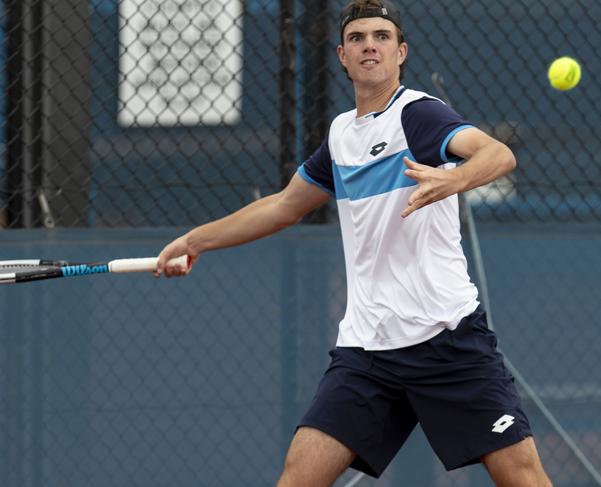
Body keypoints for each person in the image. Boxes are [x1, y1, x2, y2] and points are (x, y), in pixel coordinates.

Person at [155, 1, 554, 486]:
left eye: (383, 37)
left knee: (522, 477)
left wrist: (455, 180)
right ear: (342, 55)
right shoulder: (342, 134)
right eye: (359, 37)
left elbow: (498, 153)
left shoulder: (418, 115)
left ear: (400, 52)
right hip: (368, 352)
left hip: (448, 342)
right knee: (298, 477)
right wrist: (194, 241)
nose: (371, 45)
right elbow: (284, 205)